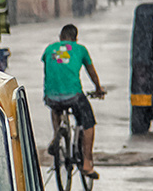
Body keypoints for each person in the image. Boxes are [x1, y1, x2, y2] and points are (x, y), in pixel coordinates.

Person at [41, 23, 105, 178]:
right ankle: (87, 163)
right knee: (88, 122)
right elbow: (92, 72)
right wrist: (98, 88)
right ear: (76, 38)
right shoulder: (80, 49)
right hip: (73, 96)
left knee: (56, 106)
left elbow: (51, 70)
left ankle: (56, 135)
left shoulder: (50, 49)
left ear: (60, 37)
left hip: (51, 95)